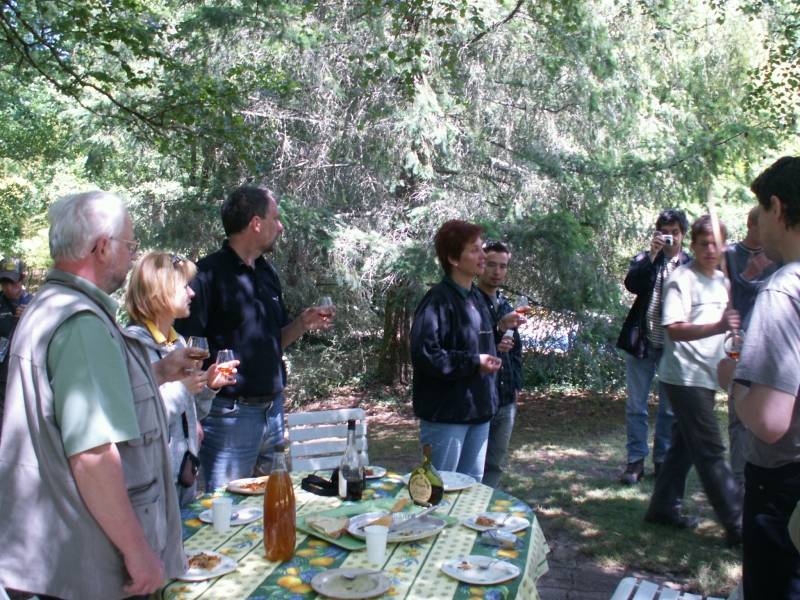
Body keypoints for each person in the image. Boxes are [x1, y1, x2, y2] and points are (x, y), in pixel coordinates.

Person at [0, 191, 199, 598]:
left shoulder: (50, 307)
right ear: (103, 247)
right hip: (87, 564)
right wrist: (137, 550)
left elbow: (71, 405)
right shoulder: (82, 323)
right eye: (130, 245)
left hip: (54, 557)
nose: (132, 256)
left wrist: (160, 372)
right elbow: (92, 455)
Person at [175, 185, 330, 491]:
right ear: (256, 223)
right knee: (227, 507)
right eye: (276, 218)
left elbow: (274, 343)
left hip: (273, 412)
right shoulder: (207, 275)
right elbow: (185, 351)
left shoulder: (267, 273)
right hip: (228, 417)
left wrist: (302, 323)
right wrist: (192, 414)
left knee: (273, 502)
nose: (280, 226)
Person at [718, 156, 800, 597]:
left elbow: (770, 421)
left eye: (761, 212)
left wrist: (734, 378)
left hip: (781, 487)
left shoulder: (783, 290)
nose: (758, 225)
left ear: (777, 208)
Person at [644, 215, 742, 546]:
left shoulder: (723, 281)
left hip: (708, 375)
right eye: (704, 244)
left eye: (716, 243)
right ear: (693, 245)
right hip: (684, 376)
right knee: (711, 449)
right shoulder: (681, 279)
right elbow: (674, 329)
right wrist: (719, 326)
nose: (710, 250)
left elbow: (726, 326)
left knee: (684, 446)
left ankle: (662, 508)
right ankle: (738, 525)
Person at [124, 252, 238, 506]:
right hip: (151, 490)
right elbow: (139, 422)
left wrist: (208, 386)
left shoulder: (178, 344)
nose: (192, 293)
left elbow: (191, 414)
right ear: (160, 291)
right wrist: (183, 389)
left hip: (183, 481)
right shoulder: (133, 346)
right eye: (185, 286)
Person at [410, 220, 502, 482]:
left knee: (471, 489)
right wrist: (474, 362)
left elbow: (474, 342)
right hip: (446, 416)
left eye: (482, 248)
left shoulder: (477, 298)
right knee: (439, 489)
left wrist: (498, 338)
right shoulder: (436, 301)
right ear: (452, 258)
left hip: (479, 412)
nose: (483, 256)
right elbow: (426, 355)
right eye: (474, 250)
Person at [616, 209, 691, 484]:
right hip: (642, 343)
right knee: (636, 406)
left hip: (674, 347)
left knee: (669, 409)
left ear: (683, 234)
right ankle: (635, 462)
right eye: (664, 232)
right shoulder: (645, 259)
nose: (670, 237)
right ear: (657, 234)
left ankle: (662, 461)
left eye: (675, 232)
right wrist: (652, 254)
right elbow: (632, 285)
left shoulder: (689, 266)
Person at [723, 206, 777, 494]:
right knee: (738, 415)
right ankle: (738, 481)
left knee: (766, 410)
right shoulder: (730, 255)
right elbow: (727, 296)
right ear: (751, 225)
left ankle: (760, 475)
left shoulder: (777, 255)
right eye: (763, 227)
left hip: (770, 341)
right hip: (739, 343)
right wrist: (748, 274)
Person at [476, 240, 525, 488]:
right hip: (479, 398)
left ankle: (486, 507)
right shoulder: (470, 303)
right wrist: (497, 329)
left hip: (505, 399)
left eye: (503, 266)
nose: (497, 272)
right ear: (480, 264)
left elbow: (514, 351)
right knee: (472, 467)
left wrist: (516, 385)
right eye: (491, 264)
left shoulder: (505, 305)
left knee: (495, 465)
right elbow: (469, 348)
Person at [0, 257, 33, 440]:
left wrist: (29, 318)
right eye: (4, 282)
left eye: (12, 282)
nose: (8, 288)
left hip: (24, 375)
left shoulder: (35, 304)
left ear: (22, 278)